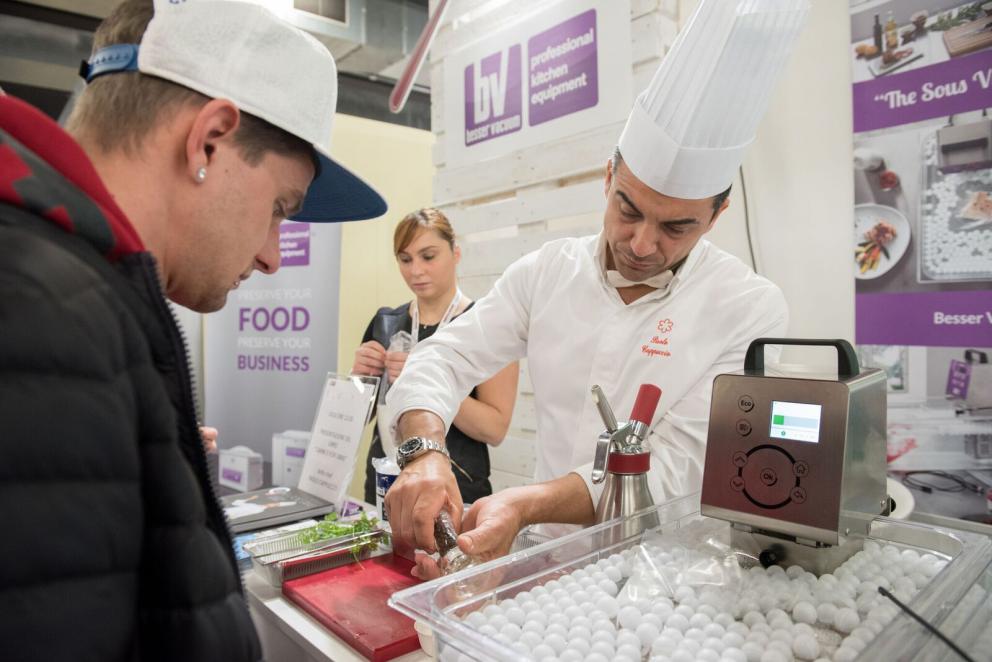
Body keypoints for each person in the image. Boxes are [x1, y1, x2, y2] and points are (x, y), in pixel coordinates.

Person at [0, 1, 385, 660]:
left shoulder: (76, 296)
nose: (272, 255)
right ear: (208, 140)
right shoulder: (46, 315)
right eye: (280, 208)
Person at [383, 0, 810, 576]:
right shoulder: (547, 272)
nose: (641, 244)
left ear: (716, 216)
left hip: (669, 571)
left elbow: (678, 466)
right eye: (628, 209)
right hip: (544, 558)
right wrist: (425, 453)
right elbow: (444, 357)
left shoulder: (749, 308)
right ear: (609, 179)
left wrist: (524, 503)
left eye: (676, 227)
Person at [352, 208, 518, 504]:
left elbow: (494, 429)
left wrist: (422, 378)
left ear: (456, 253)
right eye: (405, 260)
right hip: (385, 484)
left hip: (454, 491)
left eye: (428, 256)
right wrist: (359, 380)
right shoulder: (385, 322)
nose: (416, 270)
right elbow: (357, 420)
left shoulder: (486, 326)